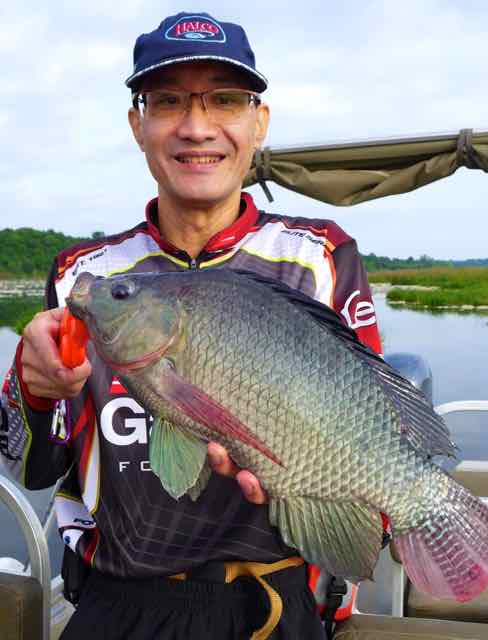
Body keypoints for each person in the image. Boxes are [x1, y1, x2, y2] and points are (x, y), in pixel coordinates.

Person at [0, 11, 383, 640]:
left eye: (226, 99)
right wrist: (32, 389)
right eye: (169, 100)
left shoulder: (323, 256)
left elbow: (371, 430)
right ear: (138, 124)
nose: (197, 126)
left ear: (259, 122)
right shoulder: (84, 278)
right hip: (117, 607)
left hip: (273, 605)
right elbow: (32, 467)